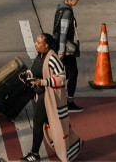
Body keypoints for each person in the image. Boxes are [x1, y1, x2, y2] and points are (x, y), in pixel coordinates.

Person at [20, 32, 80, 162]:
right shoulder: (40, 56)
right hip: (40, 95)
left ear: (46, 45)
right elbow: (36, 72)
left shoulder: (53, 58)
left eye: (39, 43)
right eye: (36, 42)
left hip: (48, 97)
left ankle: (34, 154)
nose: (35, 44)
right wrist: (27, 74)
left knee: (37, 122)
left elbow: (62, 78)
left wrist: (43, 82)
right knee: (53, 124)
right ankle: (75, 144)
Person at [52, 0, 83, 112]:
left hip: (59, 46)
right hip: (64, 49)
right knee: (73, 73)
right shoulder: (67, 12)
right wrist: (61, 51)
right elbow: (63, 32)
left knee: (65, 74)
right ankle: (69, 102)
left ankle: (59, 98)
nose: (77, 0)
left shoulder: (60, 8)